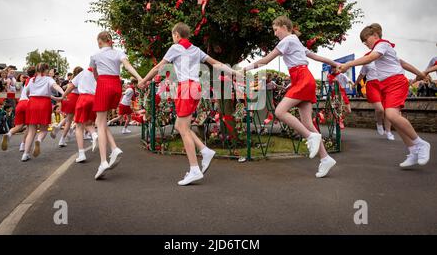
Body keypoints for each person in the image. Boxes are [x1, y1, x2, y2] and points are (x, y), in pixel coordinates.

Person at [139, 22, 239, 186]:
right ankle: (205, 151)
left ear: (177, 35)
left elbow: (158, 67)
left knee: (183, 129)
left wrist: (143, 80)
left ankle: (194, 169)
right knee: (180, 125)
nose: (173, 38)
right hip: (195, 87)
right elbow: (216, 63)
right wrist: (235, 72)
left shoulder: (175, 48)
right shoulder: (195, 49)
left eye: (173, 36)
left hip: (185, 88)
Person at [242, 16, 340, 178]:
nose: (275, 34)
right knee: (307, 122)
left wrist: (245, 69)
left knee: (280, 112)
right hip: (302, 79)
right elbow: (317, 57)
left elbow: (266, 60)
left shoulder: (287, 40)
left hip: (301, 79)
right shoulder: (296, 42)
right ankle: (325, 158)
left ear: (284, 27)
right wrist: (335, 64)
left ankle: (310, 137)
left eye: (275, 30)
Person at [339, 24, 430, 168]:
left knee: (391, 115)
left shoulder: (382, 45)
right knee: (395, 119)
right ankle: (413, 151)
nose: (365, 44)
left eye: (365, 40)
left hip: (396, 83)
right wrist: (420, 73)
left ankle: (421, 144)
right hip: (386, 85)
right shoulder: (385, 49)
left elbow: (372, 57)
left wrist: (349, 64)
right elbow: (402, 63)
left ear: (375, 35)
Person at [90, 31, 143, 179]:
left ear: (100, 42)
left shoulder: (95, 55)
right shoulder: (118, 52)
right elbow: (128, 67)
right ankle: (113, 148)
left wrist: (99, 83)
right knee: (102, 121)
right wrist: (140, 78)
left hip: (103, 84)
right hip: (116, 86)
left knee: (99, 124)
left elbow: (95, 74)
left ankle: (103, 161)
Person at [21, 63, 65, 162]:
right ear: (46, 70)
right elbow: (56, 86)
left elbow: (27, 93)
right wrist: (63, 93)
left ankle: (25, 154)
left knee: (31, 131)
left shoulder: (32, 80)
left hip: (32, 103)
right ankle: (39, 140)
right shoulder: (48, 79)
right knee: (44, 129)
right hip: (44, 103)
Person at [58, 67, 99, 163]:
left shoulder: (82, 73)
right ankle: (94, 134)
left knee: (79, 126)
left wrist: (62, 97)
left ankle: (81, 154)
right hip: (94, 99)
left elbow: (71, 87)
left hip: (83, 98)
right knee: (88, 124)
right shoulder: (98, 75)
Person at [356, 62, 395, 140]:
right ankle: (379, 123)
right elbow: (361, 75)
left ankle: (388, 131)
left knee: (388, 110)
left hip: (385, 84)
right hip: (372, 85)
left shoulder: (384, 59)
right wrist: (355, 83)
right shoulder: (367, 61)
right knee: (380, 109)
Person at [1, 67, 36, 151]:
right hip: (28, 103)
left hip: (20, 103)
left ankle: (9, 134)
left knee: (19, 126)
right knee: (29, 126)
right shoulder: (35, 80)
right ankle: (23, 144)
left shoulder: (27, 80)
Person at [53, 66, 83, 147]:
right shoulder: (80, 80)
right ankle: (62, 139)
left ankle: (59, 126)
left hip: (68, 97)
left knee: (69, 117)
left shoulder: (71, 79)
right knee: (71, 120)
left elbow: (64, 87)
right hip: (75, 98)